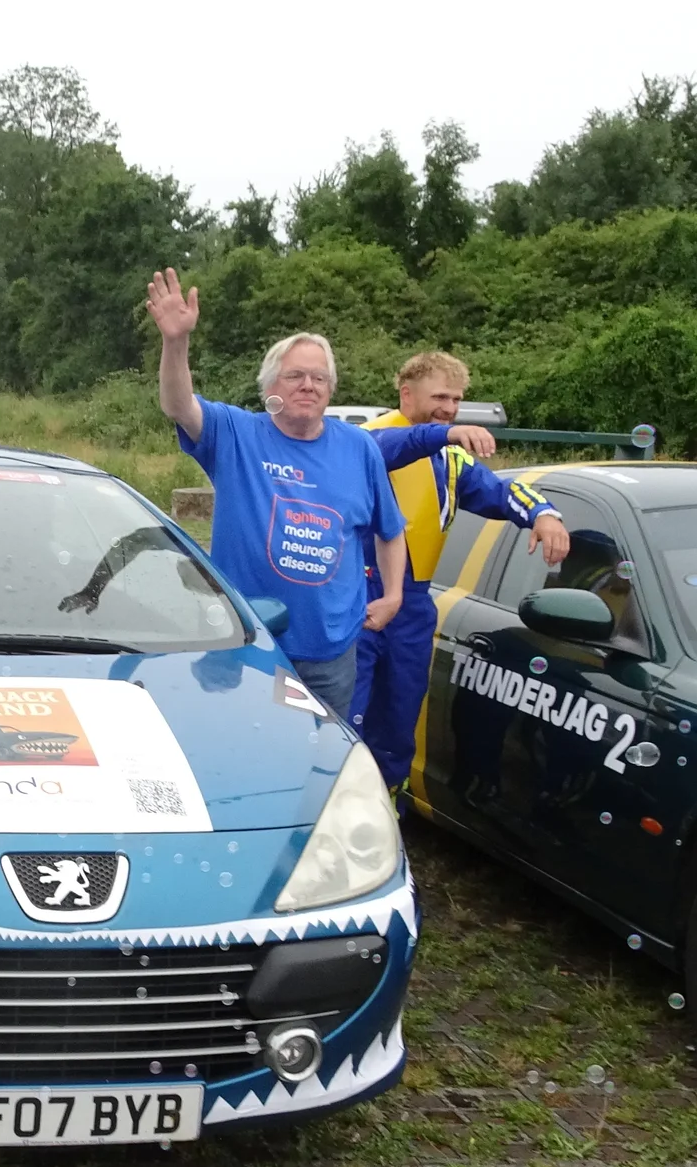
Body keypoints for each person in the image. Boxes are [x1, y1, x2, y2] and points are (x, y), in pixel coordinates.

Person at [148, 268, 407, 718]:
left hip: (329, 651)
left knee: (320, 759)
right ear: (270, 387)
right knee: (234, 750)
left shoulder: (359, 447)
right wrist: (176, 342)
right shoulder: (236, 434)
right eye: (296, 377)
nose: (309, 385)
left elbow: (390, 529)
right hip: (244, 641)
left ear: (331, 390)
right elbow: (177, 404)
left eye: (319, 379)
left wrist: (395, 594)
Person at [354, 351, 569, 793]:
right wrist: (444, 432)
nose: (450, 408)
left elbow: (498, 490)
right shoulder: (364, 439)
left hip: (412, 603)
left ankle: (387, 805)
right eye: (440, 397)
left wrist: (543, 514)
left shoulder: (449, 459)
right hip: (356, 592)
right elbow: (393, 449)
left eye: (456, 400)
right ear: (406, 393)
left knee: (399, 716)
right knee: (345, 712)